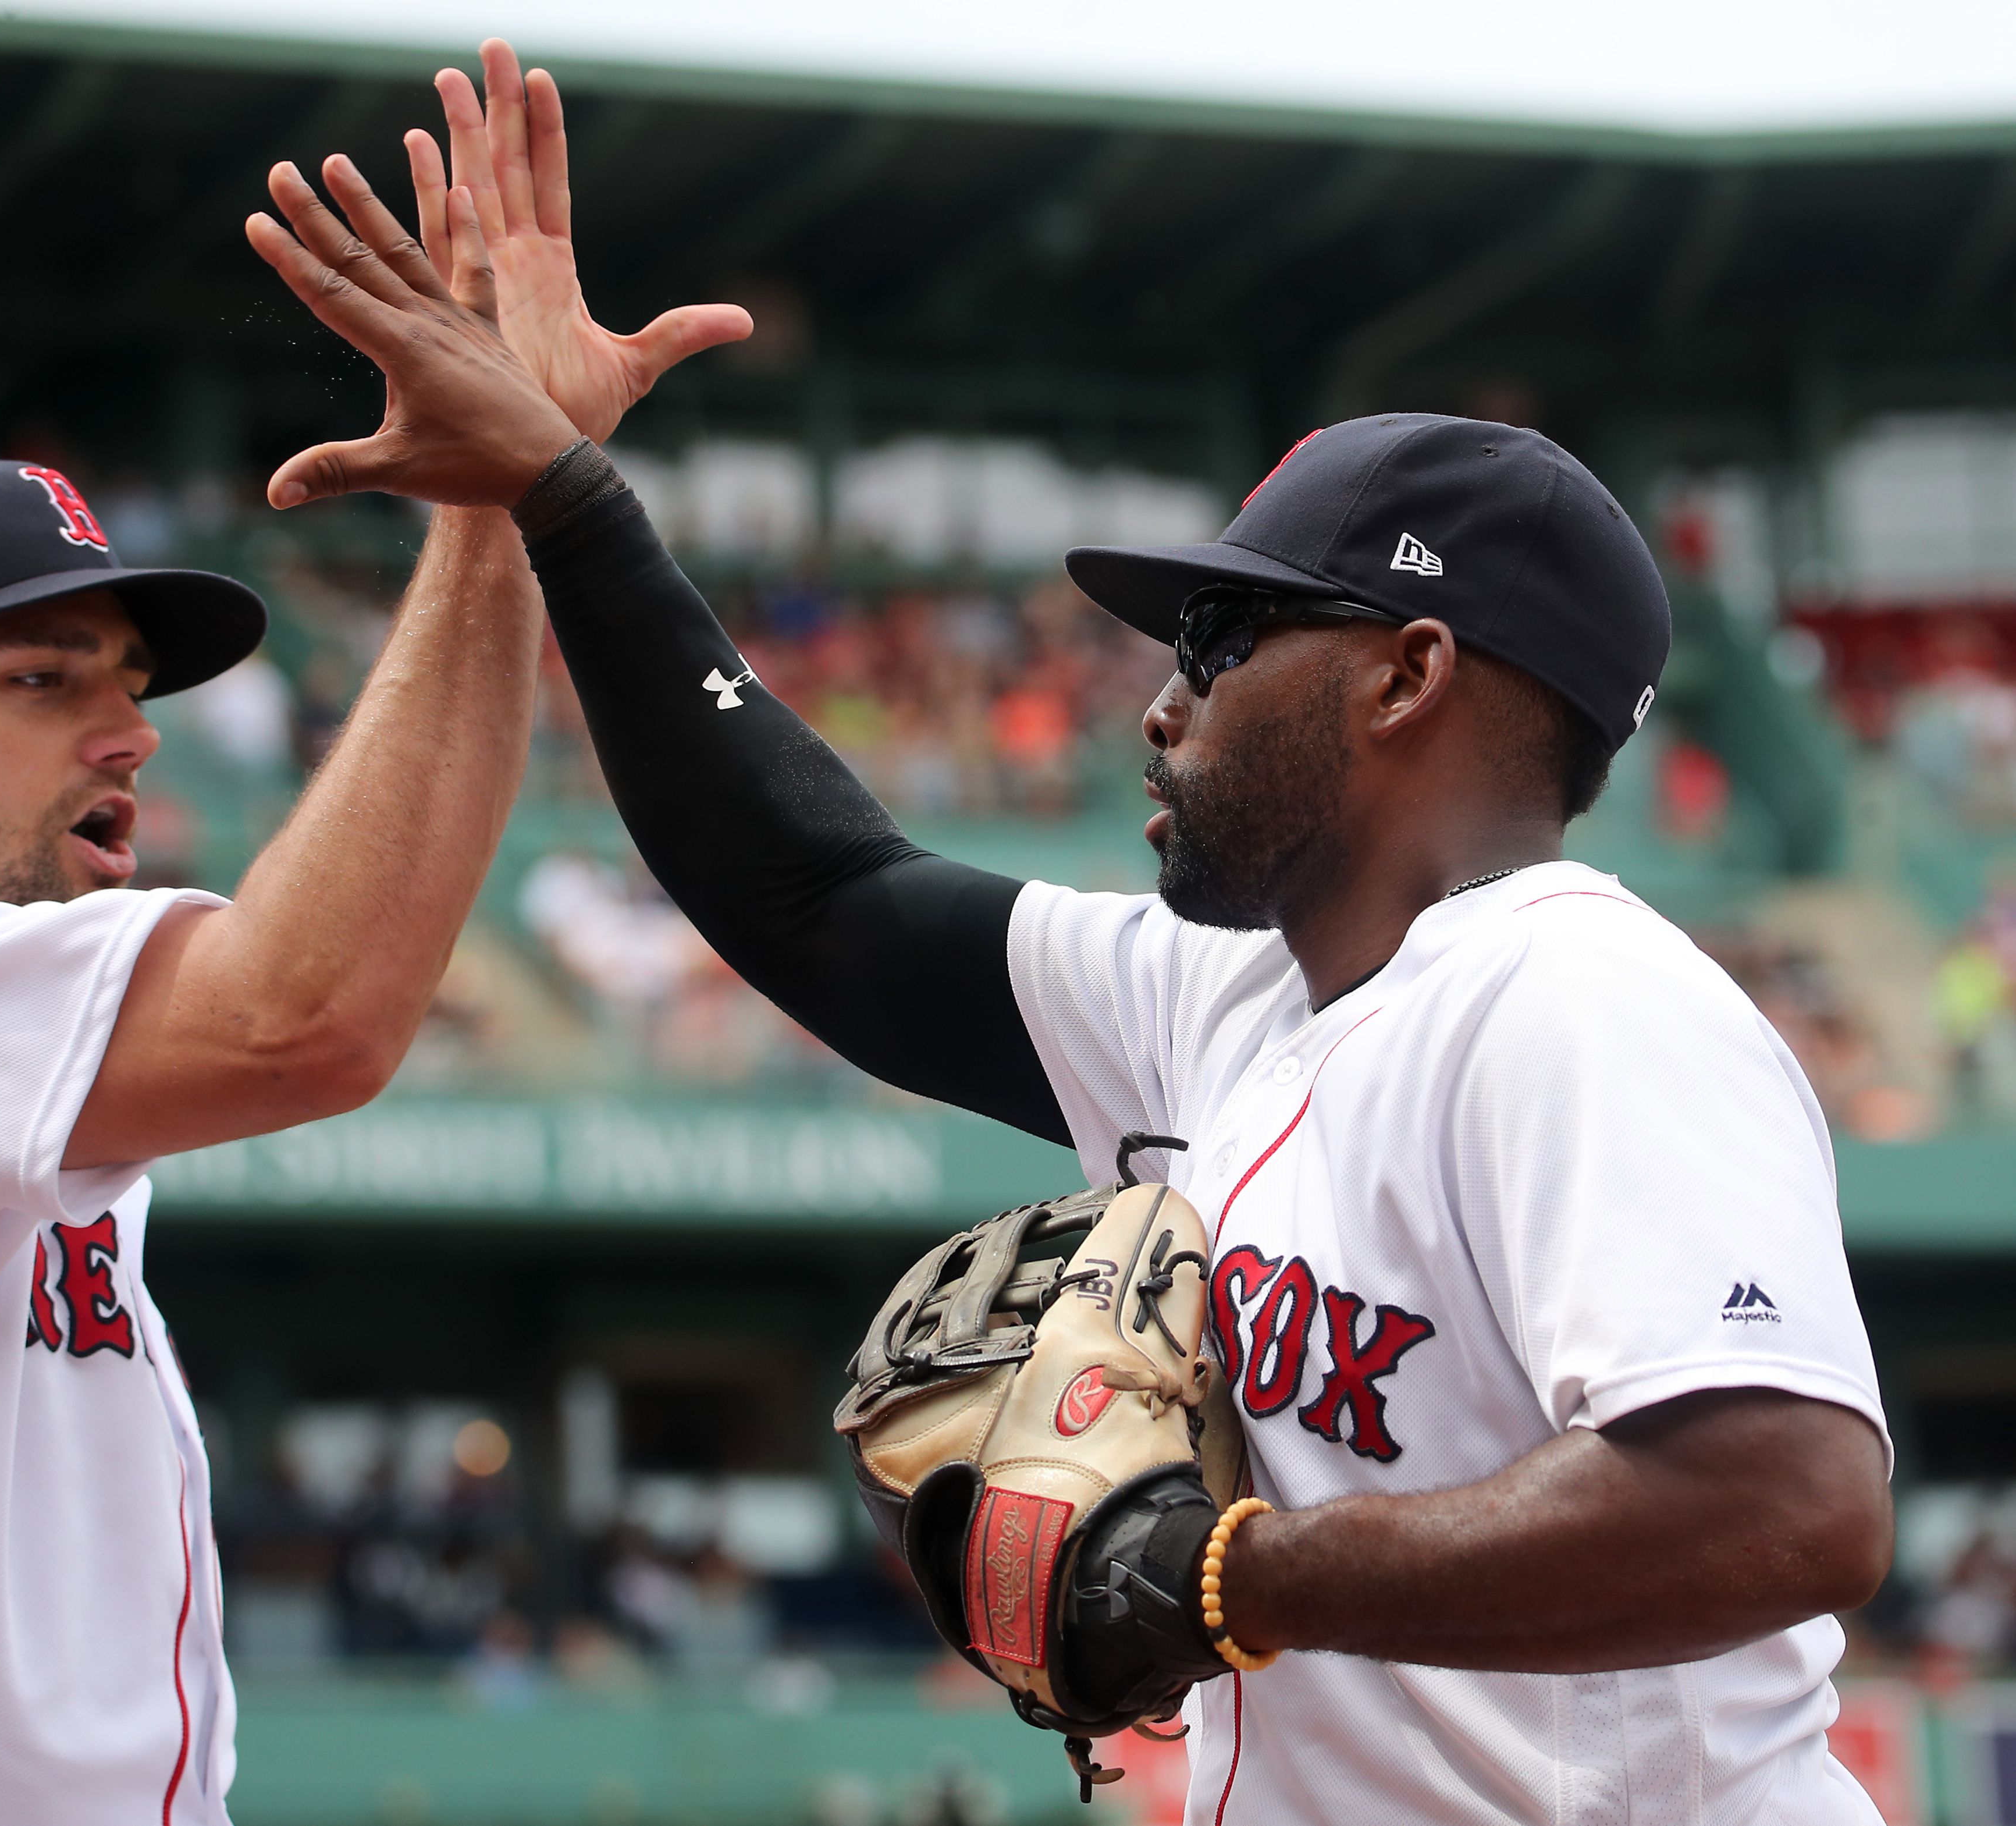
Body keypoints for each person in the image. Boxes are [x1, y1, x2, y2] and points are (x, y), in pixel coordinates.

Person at [244, 42, 1896, 1824]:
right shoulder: (1240, 996)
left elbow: (1783, 1500)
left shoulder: (1577, 998)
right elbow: (833, 903)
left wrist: (1227, 1579)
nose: (1159, 704)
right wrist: (572, 502)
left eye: (1221, 645)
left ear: (1412, 674)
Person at [0, 197, 746, 1826]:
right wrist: (501, 502)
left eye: (131, 682)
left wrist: (514, 493)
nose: (131, 733)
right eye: (45, 679)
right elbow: (308, 1012)